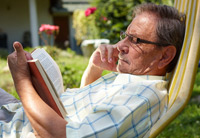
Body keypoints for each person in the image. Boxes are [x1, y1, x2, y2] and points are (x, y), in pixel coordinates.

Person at [0, 3, 185, 138]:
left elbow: (62, 136)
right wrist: (94, 67)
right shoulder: (134, 78)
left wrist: (22, 81)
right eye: (125, 36)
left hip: (15, 128)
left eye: (135, 40)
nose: (120, 45)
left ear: (165, 56)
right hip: (18, 113)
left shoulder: (142, 97)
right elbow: (88, 113)